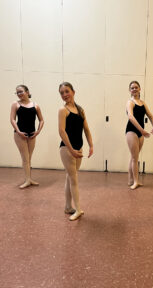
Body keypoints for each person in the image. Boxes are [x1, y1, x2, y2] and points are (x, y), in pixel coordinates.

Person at [58, 82, 93, 221]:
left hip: (78, 148)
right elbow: (61, 131)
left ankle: (67, 206)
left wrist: (91, 145)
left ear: (73, 92)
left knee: (70, 176)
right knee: (74, 179)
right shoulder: (63, 110)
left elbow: (86, 129)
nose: (64, 94)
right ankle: (78, 209)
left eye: (67, 91)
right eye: (61, 93)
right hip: (67, 148)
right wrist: (71, 150)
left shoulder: (80, 110)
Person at [10, 85, 44, 189]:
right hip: (20, 135)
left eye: (21, 91)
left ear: (27, 92)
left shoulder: (35, 105)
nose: (19, 94)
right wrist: (19, 131)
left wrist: (38, 131)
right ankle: (27, 180)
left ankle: (29, 179)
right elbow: (12, 119)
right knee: (25, 158)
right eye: (17, 92)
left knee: (29, 157)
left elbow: (41, 120)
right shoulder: (15, 104)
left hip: (32, 134)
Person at [125, 81, 153, 189]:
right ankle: (136, 181)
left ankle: (131, 179)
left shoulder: (143, 103)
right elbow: (131, 117)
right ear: (130, 90)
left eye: (136, 87)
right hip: (131, 131)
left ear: (140, 89)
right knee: (135, 158)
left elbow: (151, 115)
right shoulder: (130, 102)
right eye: (132, 88)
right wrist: (142, 130)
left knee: (134, 156)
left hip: (141, 132)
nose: (134, 89)